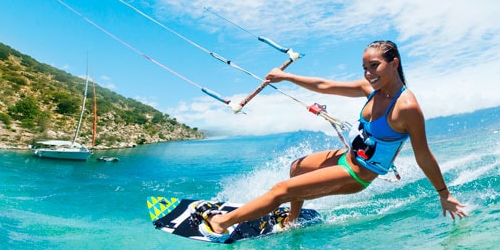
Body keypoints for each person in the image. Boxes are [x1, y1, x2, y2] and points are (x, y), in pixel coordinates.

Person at [193, 40, 467, 242]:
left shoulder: (406, 107)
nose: (369, 74)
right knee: (297, 167)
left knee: (281, 190)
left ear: (394, 63)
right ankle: (291, 220)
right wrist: (286, 76)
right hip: (346, 156)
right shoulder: (371, 89)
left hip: (357, 174)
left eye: (375, 66)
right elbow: (324, 85)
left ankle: (220, 223)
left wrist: (444, 194)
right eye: (365, 68)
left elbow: (424, 155)